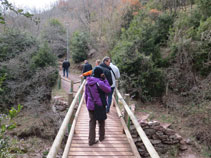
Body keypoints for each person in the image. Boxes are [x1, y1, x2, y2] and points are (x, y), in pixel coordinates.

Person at [85, 67, 111, 146]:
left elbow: (86, 95)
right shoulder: (100, 83)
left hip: (90, 105)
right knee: (101, 121)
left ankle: (91, 141)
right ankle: (101, 137)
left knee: (92, 123)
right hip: (99, 105)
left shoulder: (87, 83)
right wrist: (105, 79)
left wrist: (87, 104)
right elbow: (109, 90)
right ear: (100, 74)